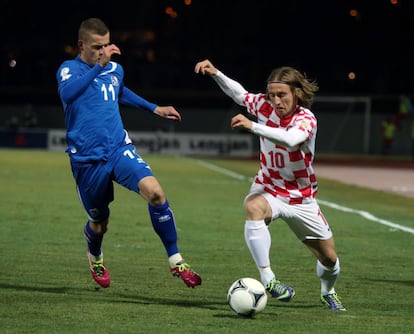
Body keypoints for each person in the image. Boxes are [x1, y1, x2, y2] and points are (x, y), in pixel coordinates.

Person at [56, 18, 201, 289]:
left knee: (156, 193)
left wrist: (154, 108)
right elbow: (70, 94)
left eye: (106, 45)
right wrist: (99, 67)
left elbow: (120, 91)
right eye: (97, 46)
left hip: (118, 149)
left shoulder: (114, 69)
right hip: (87, 160)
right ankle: (96, 255)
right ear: (81, 45)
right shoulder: (69, 70)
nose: (103, 51)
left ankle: (176, 260)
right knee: (100, 222)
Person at [195, 59, 346, 311]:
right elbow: (241, 95)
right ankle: (269, 279)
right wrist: (216, 73)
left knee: (329, 258)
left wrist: (253, 125)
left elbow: (290, 139)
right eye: (272, 95)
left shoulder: (306, 119)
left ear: (296, 93)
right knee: (253, 207)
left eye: (282, 95)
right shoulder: (265, 107)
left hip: (301, 198)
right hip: (269, 188)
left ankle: (328, 291)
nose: (276, 101)